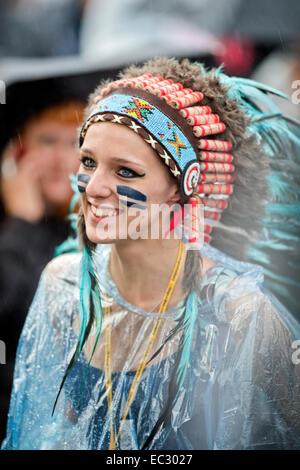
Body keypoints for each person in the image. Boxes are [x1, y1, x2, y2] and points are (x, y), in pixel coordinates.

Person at [1, 57, 300, 450]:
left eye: (125, 171)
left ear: (181, 187)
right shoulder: (66, 286)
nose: (93, 188)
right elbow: (40, 433)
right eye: (89, 162)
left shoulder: (236, 312)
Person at [0, 99, 84, 442]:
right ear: (17, 154)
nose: (60, 159)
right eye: (47, 140)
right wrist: (21, 222)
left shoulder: (109, 232)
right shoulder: (11, 235)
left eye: (75, 143)